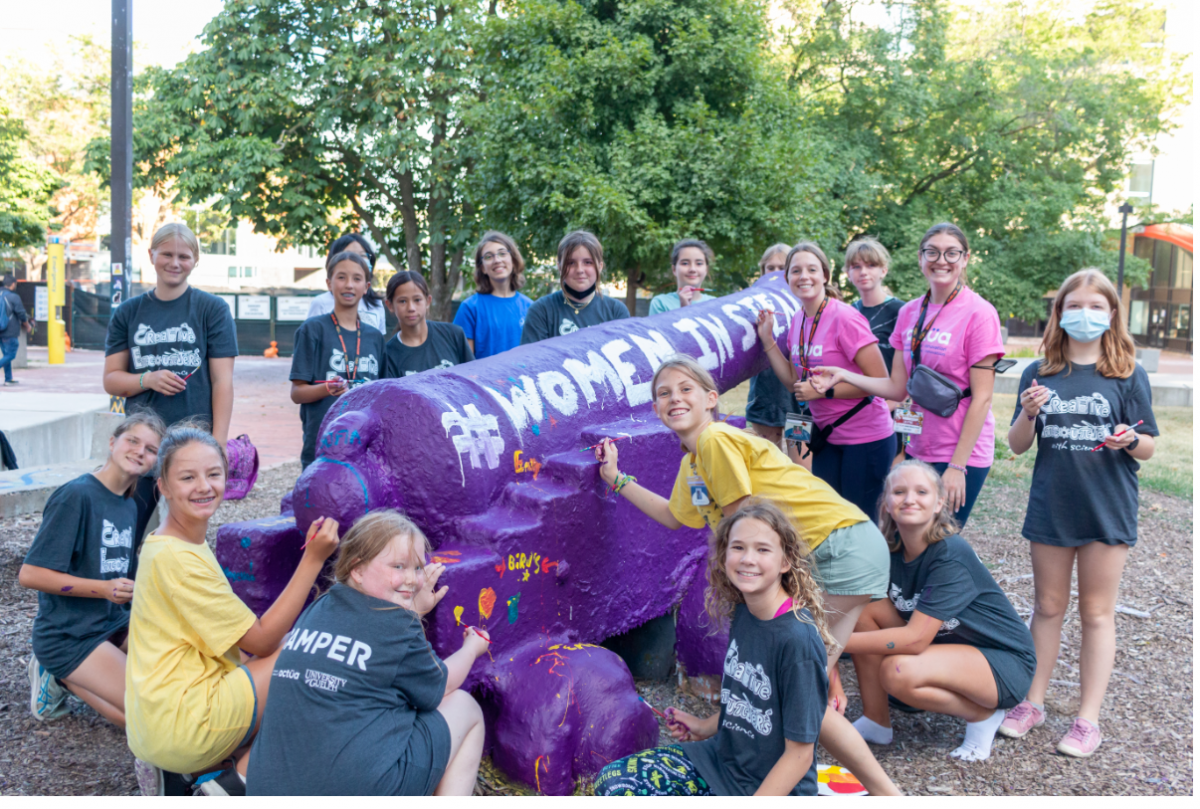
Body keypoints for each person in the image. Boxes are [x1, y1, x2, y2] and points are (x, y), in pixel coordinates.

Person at [596, 354, 899, 796]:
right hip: (843, 545)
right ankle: (879, 793)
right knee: (803, 693)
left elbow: (745, 519)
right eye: (663, 393)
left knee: (800, 688)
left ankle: (855, 791)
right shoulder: (693, 462)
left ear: (711, 399)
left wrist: (734, 574)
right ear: (656, 409)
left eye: (685, 389)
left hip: (836, 546)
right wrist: (616, 479)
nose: (674, 398)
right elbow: (672, 515)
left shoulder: (716, 439)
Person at [124, 424, 341, 796]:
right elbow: (262, 639)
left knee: (294, 643)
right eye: (187, 477)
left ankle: (194, 771)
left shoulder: (170, 541)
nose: (204, 486)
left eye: (213, 474)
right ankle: (231, 782)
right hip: (184, 726)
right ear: (163, 486)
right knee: (311, 654)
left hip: (157, 721)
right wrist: (313, 560)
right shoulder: (179, 558)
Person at [998, 269, 1157, 758]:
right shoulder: (1038, 372)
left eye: (1095, 306)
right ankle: (1033, 702)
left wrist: (1130, 439)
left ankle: (1088, 720)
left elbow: (1147, 445)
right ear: (1059, 313)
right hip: (1052, 506)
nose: (1083, 315)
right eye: (1074, 306)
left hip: (1107, 510)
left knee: (1096, 612)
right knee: (1047, 607)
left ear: (1111, 314)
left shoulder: (1127, 373)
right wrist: (1027, 413)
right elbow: (1016, 445)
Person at [595, 499, 830, 796]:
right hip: (719, 762)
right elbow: (746, 702)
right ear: (724, 554)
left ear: (786, 561)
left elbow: (800, 756)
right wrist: (703, 726)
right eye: (738, 547)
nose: (747, 558)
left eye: (762, 549)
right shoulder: (745, 610)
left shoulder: (798, 640)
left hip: (770, 790)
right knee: (614, 784)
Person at [247, 510, 489, 796]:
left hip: (267, 788)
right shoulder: (398, 627)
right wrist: (472, 648)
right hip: (356, 791)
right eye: (398, 566)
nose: (412, 579)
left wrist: (409, 611)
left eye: (417, 568)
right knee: (466, 707)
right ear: (357, 569)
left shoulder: (317, 609)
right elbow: (442, 683)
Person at [810, 222, 1004, 526]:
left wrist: (958, 466)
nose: (941, 260)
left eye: (952, 253)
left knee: (940, 544)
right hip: (918, 447)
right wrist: (843, 376)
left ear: (965, 258)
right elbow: (897, 388)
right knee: (907, 540)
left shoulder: (979, 313)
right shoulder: (910, 312)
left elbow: (983, 398)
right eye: (932, 252)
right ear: (920, 258)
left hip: (960, 451)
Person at [846, 461, 1036, 762]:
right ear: (886, 503)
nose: (909, 498)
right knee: (863, 608)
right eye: (899, 491)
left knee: (897, 671)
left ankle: (983, 714)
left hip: (1002, 662)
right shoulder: (889, 549)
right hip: (948, 646)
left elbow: (915, 640)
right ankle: (875, 720)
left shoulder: (950, 554)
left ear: (939, 504)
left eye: (921, 491)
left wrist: (831, 642)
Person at [20, 411, 165, 727]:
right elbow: (30, 574)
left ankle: (78, 676)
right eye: (133, 441)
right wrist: (103, 589)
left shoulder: (131, 504)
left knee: (170, 694)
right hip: (69, 634)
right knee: (148, 720)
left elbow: (122, 573)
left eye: (151, 449)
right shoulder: (76, 495)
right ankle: (60, 676)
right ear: (112, 443)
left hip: (112, 622)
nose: (141, 451)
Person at [103, 222, 238, 541]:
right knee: (127, 532)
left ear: (195, 260)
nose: (174, 262)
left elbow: (223, 382)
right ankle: (122, 588)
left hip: (192, 440)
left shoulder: (212, 309)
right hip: (142, 443)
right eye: (166, 254)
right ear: (151, 255)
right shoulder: (128, 312)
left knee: (187, 531)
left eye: (184, 256)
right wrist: (147, 378)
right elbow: (111, 380)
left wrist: (217, 444)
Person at [755, 241, 895, 520]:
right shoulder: (798, 321)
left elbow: (881, 381)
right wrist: (768, 340)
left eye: (811, 269)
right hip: (827, 437)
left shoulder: (845, 317)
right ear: (787, 279)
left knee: (861, 520)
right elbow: (795, 383)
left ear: (825, 276)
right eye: (795, 271)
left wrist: (826, 393)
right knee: (830, 517)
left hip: (866, 437)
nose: (803, 276)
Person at [290, 251, 385, 469]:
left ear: (366, 287)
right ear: (329, 283)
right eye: (341, 277)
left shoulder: (375, 338)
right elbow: (297, 394)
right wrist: (327, 389)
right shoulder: (312, 330)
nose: (349, 285)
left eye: (357, 278)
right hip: (323, 441)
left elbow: (382, 393)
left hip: (365, 442)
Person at [520, 230, 629, 344]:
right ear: (560, 267)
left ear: (600, 266)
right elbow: (531, 360)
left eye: (588, 262)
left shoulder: (616, 312)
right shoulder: (541, 311)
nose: (580, 270)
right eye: (571, 263)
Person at [744, 244, 798, 450]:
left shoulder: (806, 304)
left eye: (782, 268)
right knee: (767, 464)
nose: (776, 273)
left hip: (798, 400)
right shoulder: (752, 303)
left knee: (801, 467)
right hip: (764, 395)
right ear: (762, 272)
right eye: (770, 268)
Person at [453, 231, 534, 358]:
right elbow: (463, 363)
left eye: (502, 253)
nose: (497, 260)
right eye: (489, 257)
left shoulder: (531, 307)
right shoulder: (469, 308)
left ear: (513, 260)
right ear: (483, 268)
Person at [382, 271, 474, 378]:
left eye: (417, 300)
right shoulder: (388, 355)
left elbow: (472, 381)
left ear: (428, 301)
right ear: (390, 305)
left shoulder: (454, 335)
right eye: (402, 301)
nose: (411, 308)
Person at [304, 233, 388, 334]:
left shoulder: (376, 304)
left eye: (362, 256)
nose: (356, 261)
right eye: (350, 256)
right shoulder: (321, 303)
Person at [647, 239, 716, 315]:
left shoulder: (715, 304)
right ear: (674, 269)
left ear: (706, 269)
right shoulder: (660, 303)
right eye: (685, 263)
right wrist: (684, 310)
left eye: (699, 263)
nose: (692, 269)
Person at [1, 274, 34, 386]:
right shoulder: (13, 297)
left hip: (0, 330)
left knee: (6, 354)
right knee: (10, 354)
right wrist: (28, 325)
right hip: (9, 330)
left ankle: (8, 378)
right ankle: (8, 378)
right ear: (13, 284)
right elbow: (21, 314)